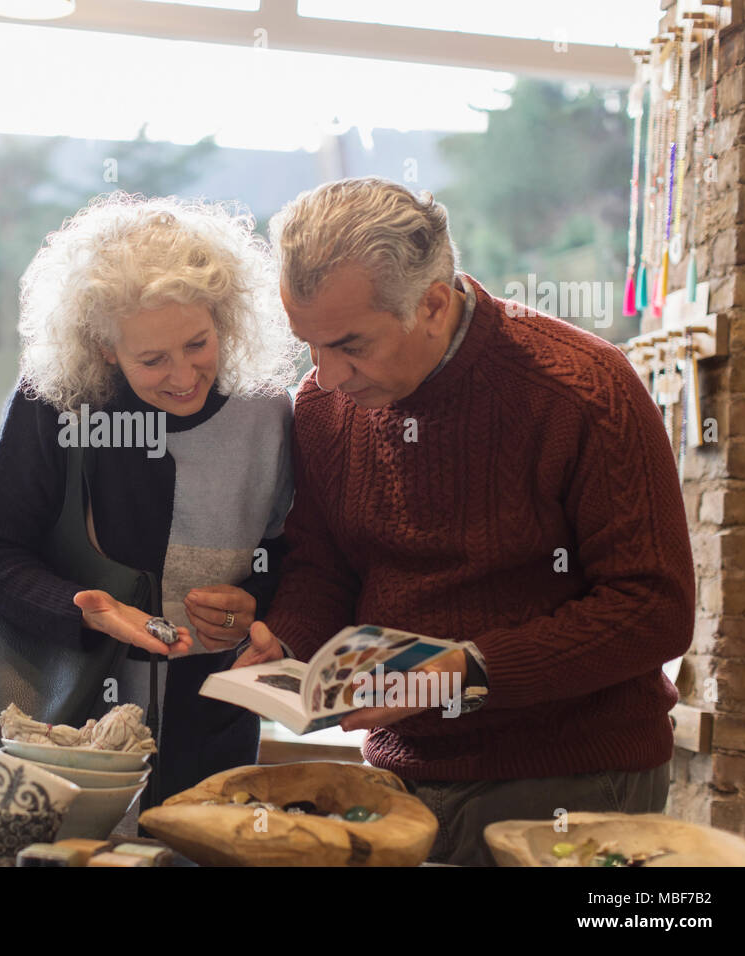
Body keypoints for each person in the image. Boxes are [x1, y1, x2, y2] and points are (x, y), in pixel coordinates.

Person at [237, 177, 695, 865]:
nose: (327, 376)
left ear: (431, 303)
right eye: (310, 345)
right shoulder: (324, 407)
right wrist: (288, 645)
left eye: (350, 344)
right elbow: (323, 569)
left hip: (574, 777)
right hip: (401, 775)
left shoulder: (585, 390)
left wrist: (462, 671)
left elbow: (652, 610)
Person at [0, 192, 302, 809]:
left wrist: (259, 603)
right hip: (63, 733)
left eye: (199, 343)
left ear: (224, 319)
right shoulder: (57, 403)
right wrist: (82, 610)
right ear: (104, 348)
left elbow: (293, 555)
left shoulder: (268, 412)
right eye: (152, 359)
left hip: (213, 736)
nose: (183, 375)